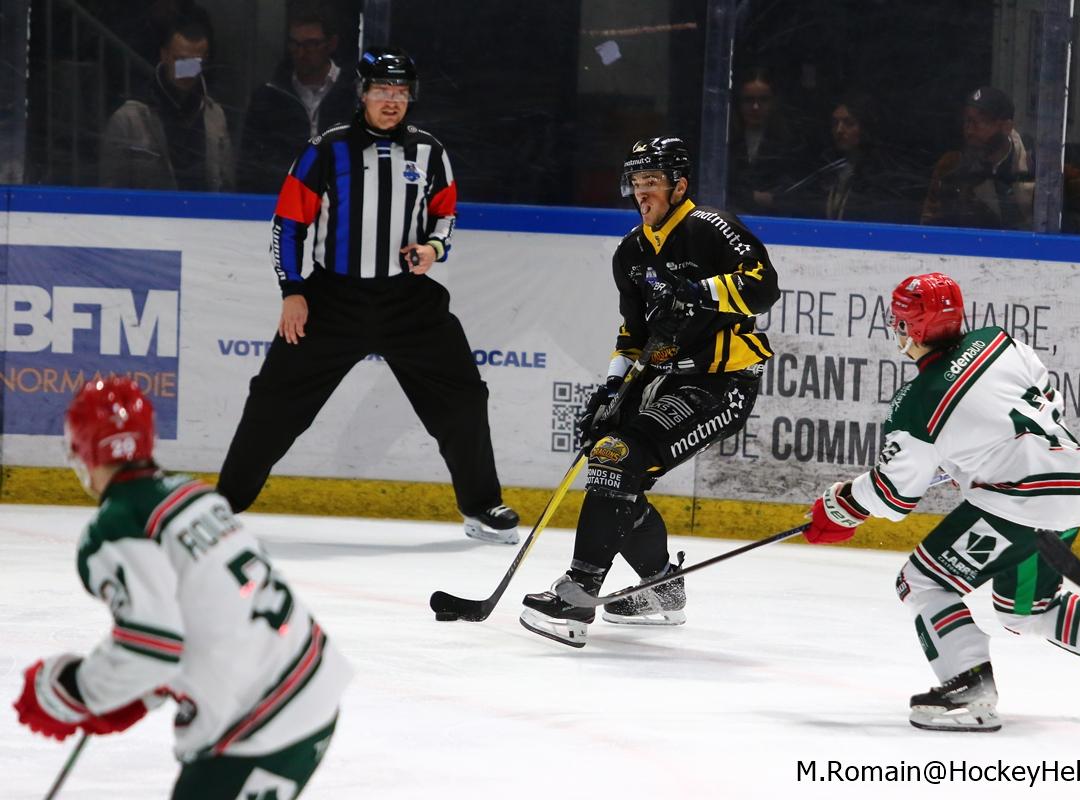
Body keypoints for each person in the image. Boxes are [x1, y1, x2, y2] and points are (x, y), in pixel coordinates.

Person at [804, 272, 1080, 732]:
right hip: (1066, 491)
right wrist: (971, 459)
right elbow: (1046, 402)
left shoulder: (917, 403)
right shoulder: (1000, 342)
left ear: (909, 328)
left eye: (899, 321)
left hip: (1015, 503)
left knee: (922, 582)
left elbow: (893, 496)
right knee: (1025, 612)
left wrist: (842, 505)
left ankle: (970, 690)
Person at [217, 46, 520, 545]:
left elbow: (445, 213)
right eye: (382, 90)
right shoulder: (326, 149)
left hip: (408, 301)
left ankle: (482, 504)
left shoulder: (429, 151)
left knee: (463, 395)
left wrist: (433, 247)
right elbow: (288, 223)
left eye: (401, 92)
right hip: (331, 301)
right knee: (274, 400)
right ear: (362, 93)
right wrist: (293, 290)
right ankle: (224, 503)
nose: (392, 100)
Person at [13, 378, 351, 798]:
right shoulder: (197, 496)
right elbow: (203, 617)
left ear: (83, 450)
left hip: (263, 725)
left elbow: (150, 647)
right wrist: (142, 693)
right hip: (308, 685)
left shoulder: (117, 527)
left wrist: (76, 691)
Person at [520, 137, 780, 648]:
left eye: (652, 182)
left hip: (723, 383)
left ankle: (578, 594)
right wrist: (611, 389)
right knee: (615, 465)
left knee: (617, 456)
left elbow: (763, 285)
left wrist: (700, 291)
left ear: (678, 185)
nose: (643, 193)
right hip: (667, 380)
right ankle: (661, 588)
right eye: (636, 183)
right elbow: (634, 334)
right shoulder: (632, 251)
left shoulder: (709, 226)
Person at [921, 87, 1080, 234]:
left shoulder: (1042, 167)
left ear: (1006, 127)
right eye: (967, 121)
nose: (969, 130)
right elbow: (929, 226)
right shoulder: (952, 167)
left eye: (979, 122)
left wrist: (1072, 244)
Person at [99, 12, 235, 192]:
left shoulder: (215, 117)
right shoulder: (129, 118)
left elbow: (226, 186)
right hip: (148, 209)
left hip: (203, 208)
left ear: (205, 61)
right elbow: (110, 191)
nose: (186, 70)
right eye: (180, 60)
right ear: (164, 55)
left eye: (194, 62)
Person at [238, 2, 358, 193]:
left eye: (311, 44)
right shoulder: (268, 97)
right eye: (295, 44)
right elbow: (250, 169)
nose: (301, 53)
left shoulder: (354, 95)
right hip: (280, 201)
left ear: (331, 44)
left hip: (341, 202)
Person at [791, 92, 919, 224]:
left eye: (849, 123)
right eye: (835, 123)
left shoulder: (883, 173)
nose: (839, 130)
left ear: (865, 127)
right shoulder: (827, 167)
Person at [727, 69, 809, 216]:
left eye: (763, 100)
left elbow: (795, 190)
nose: (755, 107)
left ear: (774, 102)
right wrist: (750, 197)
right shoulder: (724, 140)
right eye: (748, 100)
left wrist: (774, 199)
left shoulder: (791, 144)